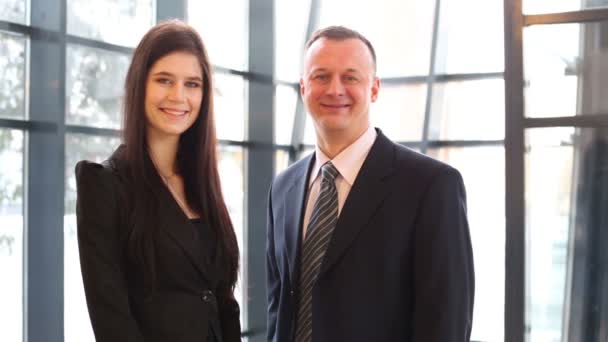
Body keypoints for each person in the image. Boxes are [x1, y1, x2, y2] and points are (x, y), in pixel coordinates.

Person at [266, 26, 474, 342]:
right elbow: (278, 309)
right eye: (321, 76)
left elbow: (445, 320)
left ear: (374, 89)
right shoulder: (283, 188)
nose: (335, 89)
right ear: (303, 87)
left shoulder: (431, 186)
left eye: (350, 77)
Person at [75, 20, 241, 342]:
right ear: (140, 86)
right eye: (164, 80)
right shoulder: (105, 186)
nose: (179, 96)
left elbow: (223, 301)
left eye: (192, 84)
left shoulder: (202, 185)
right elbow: (112, 323)